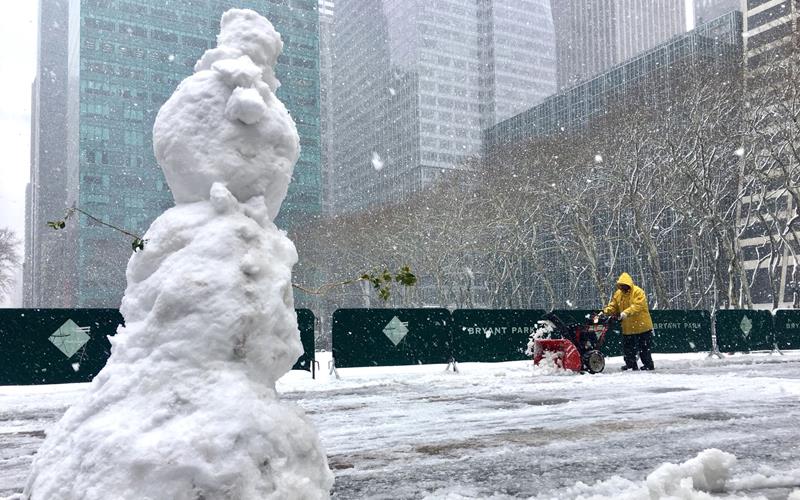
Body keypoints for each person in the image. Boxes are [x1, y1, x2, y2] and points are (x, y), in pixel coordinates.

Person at [602, 272, 655, 371]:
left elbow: (637, 306)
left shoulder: (638, 292)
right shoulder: (618, 294)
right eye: (620, 286)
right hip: (628, 327)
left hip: (642, 326)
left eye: (623, 286)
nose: (622, 288)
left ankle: (648, 365)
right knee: (628, 348)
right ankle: (630, 364)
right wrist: (605, 312)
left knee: (644, 348)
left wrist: (625, 313)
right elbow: (613, 305)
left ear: (628, 285)